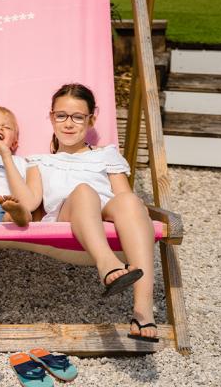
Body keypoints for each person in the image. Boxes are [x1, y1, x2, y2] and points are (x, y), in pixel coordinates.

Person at [28, 83, 159, 342]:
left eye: (78, 117)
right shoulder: (40, 162)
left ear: (91, 119)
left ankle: (143, 310)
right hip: (68, 216)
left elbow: (121, 195)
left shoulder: (106, 155)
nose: (68, 124)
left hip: (104, 215)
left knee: (131, 200)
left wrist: (135, 210)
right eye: (61, 116)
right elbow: (32, 206)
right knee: (84, 191)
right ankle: (107, 264)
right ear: (51, 117)